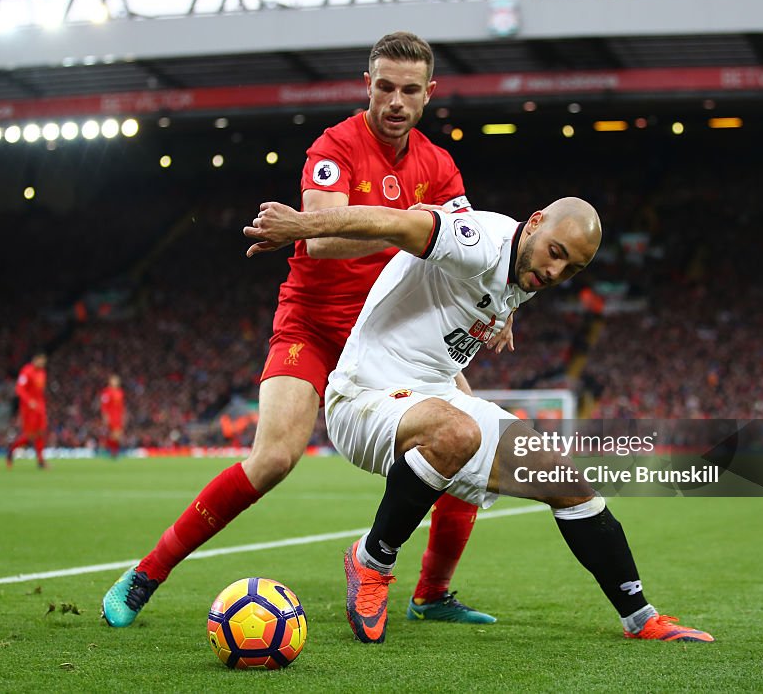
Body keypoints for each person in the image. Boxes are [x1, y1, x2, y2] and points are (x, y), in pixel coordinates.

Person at [103, 32, 506, 627]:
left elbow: (468, 253)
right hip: (314, 324)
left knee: (464, 442)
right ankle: (146, 575)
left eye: (409, 91)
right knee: (273, 458)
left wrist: (501, 305)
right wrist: (405, 228)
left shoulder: (439, 165)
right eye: (385, 87)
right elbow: (316, 239)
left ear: (429, 94)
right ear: (367, 84)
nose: (396, 101)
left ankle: (431, 595)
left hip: (396, 335)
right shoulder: (334, 146)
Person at [243, 197, 715, 645]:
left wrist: (504, 311)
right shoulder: (478, 242)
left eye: (573, 269)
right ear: (533, 223)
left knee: (565, 479)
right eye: (555, 253)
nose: (555, 272)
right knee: (456, 431)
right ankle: (371, 560)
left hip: (434, 397)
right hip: (364, 396)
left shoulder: (523, 272)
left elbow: (490, 295)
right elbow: (398, 222)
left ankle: (640, 618)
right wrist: (299, 227)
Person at [6, 352, 48, 469]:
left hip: (40, 407)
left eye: (44, 361)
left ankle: (40, 461)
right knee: (30, 436)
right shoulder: (26, 371)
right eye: (41, 360)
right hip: (28, 409)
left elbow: (40, 391)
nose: (42, 363)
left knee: (41, 433)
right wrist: (29, 401)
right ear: (35, 360)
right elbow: (19, 389)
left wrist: (42, 405)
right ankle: (11, 450)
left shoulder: (42, 373)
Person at [100, 374, 125, 457]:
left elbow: (122, 406)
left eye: (117, 381)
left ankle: (112, 450)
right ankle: (111, 450)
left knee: (118, 435)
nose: (116, 382)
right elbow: (104, 406)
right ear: (110, 382)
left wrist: (122, 416)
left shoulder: (120, 392)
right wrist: (105, 416)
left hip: (118, 416)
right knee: (115, 435)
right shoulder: (106, 392)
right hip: (111, 416)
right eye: (114, 380)